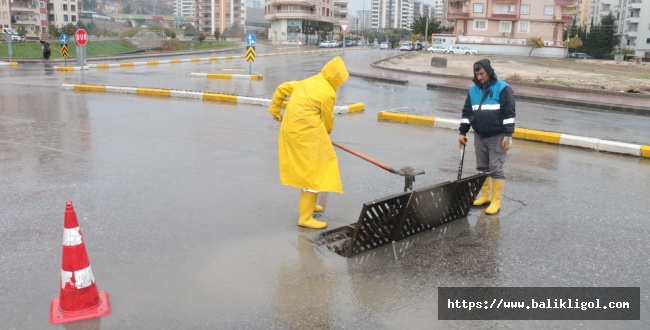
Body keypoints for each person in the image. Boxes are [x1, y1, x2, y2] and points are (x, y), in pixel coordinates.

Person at [269, 56, 349, 229]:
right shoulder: (327, 92)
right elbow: (327, 119)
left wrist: (275, 110)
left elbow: (282, 88)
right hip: (306, 136)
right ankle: (305, 218)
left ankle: (311, 206)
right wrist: (326, 133)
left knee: (313, 171)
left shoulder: (308, 82)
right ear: (336, 78)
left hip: (292, 131)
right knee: (314, 173)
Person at [458, 59, 515, 215]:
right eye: (476, 74)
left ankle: (496, 201)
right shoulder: (473, 91)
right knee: (482, 168)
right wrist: (462, 132)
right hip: (479, 135)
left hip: (497, 135)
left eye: (482, 73)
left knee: (495, 169)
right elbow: (467, 113)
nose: (479, 77)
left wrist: (508, 135)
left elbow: (509, 114)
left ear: (489, 72)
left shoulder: (503, 88)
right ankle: (485, 196)